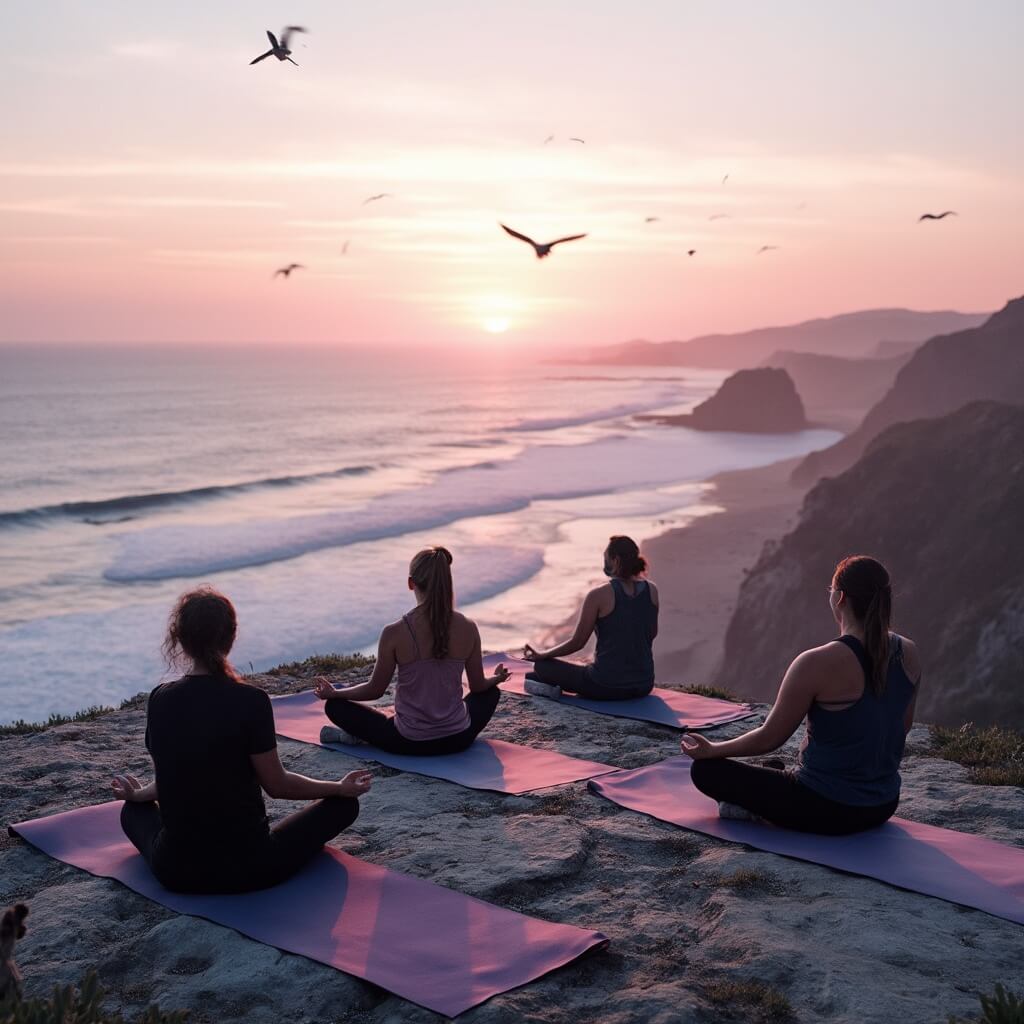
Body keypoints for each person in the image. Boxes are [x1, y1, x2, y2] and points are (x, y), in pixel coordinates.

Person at [112, 587, 371, 894]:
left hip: (176, 871)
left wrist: (141, 796)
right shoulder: (251, 701)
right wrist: (338, 788)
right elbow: (278, 786)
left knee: (132, 812)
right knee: (344, 807)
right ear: (231, 637)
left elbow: (176, 775)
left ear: (179, 638)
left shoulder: (160, 700)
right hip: (252, 868)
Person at [683, 555, 921, 836]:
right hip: (882, 805)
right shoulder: (908, 652)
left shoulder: (816, 662)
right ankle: (769, 789)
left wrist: (713, 749)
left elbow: (770, 737)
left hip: (824, 807)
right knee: (773, 773)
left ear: (840, 598)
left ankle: (756, 811)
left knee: (706, 772)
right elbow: (901, 726)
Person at [315, 546, 510, 754]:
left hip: (408, 742)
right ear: (447, 583)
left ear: (411, 583)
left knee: (335, 707)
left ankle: (352, 736)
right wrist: (496, 679)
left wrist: (335, 694)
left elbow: (375, 690)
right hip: (458, 738)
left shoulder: (394, 632)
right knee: (490, 694)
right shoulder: (468, 627)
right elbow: (479, 686)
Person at [522, 535, 659, 700]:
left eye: (605, 556)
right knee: (581, 668)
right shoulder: (652, 590)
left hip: (606, 685)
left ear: (615, 560)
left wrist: (543, 654)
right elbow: (651, 634)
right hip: (644, 684)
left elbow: (577, 643)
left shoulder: (599, 594)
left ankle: (548, 686)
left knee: (542, 667)